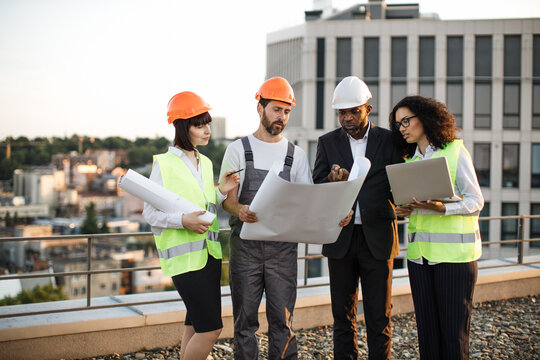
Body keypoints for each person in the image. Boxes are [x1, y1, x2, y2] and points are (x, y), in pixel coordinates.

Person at [221, 77, 352, 360]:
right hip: (246, 250)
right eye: (276, 109)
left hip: (283, 251)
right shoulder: (236, 150)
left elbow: (307, 203)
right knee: (245, 322)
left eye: (287, 111)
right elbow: (227, 202)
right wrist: (240, 209)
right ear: (260, 108)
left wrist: (335, 216)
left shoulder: (296, 155)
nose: (282, 117)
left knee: (283, 321)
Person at [142, 91, 239, 360]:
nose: (207, 130)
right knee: (212, 330)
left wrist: (222, 191)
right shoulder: (165, 164)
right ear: (183, 127)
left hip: (210, 255)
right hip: (184, 262)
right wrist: (182, 221)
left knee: (195, 325)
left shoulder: (205, 163)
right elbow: (150, 213)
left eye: (207, 123)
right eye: (200, 125)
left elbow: (206, 206)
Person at [313, 76, 403, 359]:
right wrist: (331, 180)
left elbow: (400, 183)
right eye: (342, 112)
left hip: (378, 238)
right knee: (342, 318)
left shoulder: (389, 140)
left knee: (379, 317)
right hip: (341, 239)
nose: (348, 118)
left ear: (369, 108)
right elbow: (317, 185)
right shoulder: (326, 143)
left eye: (354, 111)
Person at [390, 95, 484, 360]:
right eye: (398, 124)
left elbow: (476, 200)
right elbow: (418, 209)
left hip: (454, 261)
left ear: (426, 118)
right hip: (420, 259)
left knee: (453, 339)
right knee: (428, 338)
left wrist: (444, 207)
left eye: (407, 120)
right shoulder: (409, 162)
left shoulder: (455, 152)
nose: (403, 128)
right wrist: (403, 210)